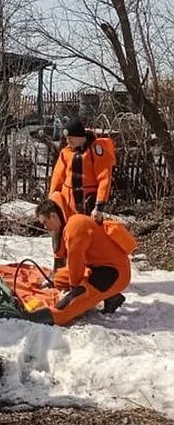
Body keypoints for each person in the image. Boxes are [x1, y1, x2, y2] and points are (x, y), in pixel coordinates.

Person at [26, 199, 131, 325]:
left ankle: (45, 317)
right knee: (58, 278)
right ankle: (111, 296)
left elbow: (76, 264)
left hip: (113, 273)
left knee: (70, 304)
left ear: (53, 216)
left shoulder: (75, 228)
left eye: (45, 222)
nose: (45, 227)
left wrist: (74, 291)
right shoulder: (71, 223)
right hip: (96, 266)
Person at [48, 118, 115, 270]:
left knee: (87, 237)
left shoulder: (96, 151)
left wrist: (99, 205)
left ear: (80, 137)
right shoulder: (66, 153)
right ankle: (60, 270)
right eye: (67, 138)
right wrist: (53, 197)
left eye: (70, 138)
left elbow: (104, 178)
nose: (68, 141)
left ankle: (91, 269)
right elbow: (58, 176)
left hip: (88, 203)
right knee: (60, 234)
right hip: (67, 202)